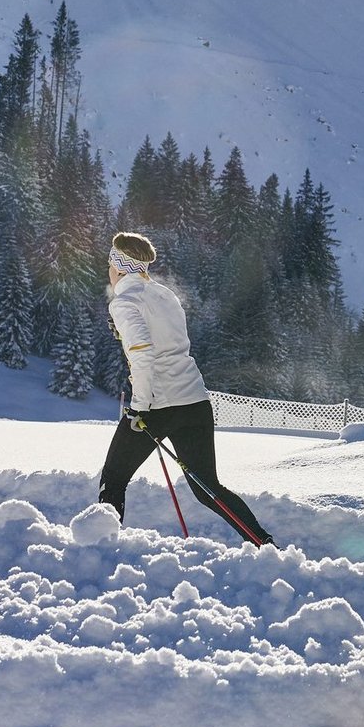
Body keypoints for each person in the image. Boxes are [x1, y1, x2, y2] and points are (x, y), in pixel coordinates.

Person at [98, 231, 272, 546]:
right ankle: (265, 544)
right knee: (208, 488)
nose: (108, 271)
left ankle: (100, 548)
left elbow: (143, 354)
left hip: (155, 407)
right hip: (194, 402)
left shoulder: (123, 302)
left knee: (113, 480)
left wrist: (139, 406)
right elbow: (167, 343)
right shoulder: (165, 294)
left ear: (119, 267)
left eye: (110, 264)